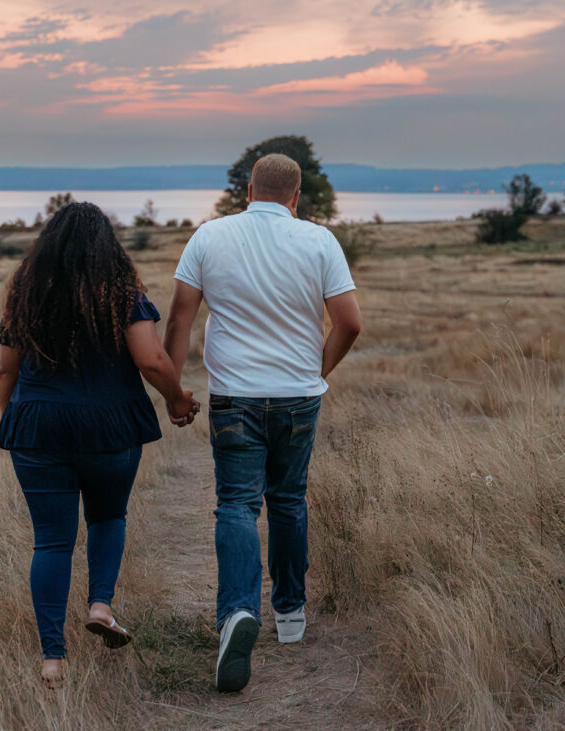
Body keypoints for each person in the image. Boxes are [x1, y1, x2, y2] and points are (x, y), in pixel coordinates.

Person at [163, 153, 362, 692]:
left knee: (236, 503)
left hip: (235, 397)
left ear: (247, 190)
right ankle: (291, 614)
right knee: (289, 499)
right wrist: (315, 370)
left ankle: (235, 614)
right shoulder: (320, 242)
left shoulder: (209, 235)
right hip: (298, 395)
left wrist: (175, 388)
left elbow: (181, 314)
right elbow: (350, 323)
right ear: (296, 196)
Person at [0, 202, 199, 685]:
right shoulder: (120, 295)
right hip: (109, 428)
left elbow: (7, 369)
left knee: (51, 543)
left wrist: (18, 423)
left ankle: (52, 659)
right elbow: (151, 360)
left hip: (39, 430)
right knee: (108, 516)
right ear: (108, 247)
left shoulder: (26, 294)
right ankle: (101, 605)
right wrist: (176, 398)